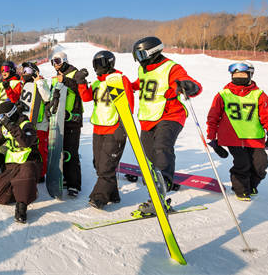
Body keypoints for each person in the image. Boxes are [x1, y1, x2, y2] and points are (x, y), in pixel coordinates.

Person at [130, 36, 202, 214]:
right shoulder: (144, 70)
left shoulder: (171, 68)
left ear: (152, 52)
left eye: (141, 54)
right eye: (136, 55)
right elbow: (139, 85)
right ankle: (155, 196)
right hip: (148, 119)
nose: (139, 59)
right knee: (148, 158)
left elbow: (190, 83)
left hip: (170, 115)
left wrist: (189, 86)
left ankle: (162, 187)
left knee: (162, 147)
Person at [206, 61, 268, 201]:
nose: (239, 77)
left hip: (254, 137)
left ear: (250, 75)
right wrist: (212, 139)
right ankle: (241, 190)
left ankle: (251, 185)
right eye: (236, 74)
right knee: (243, 163)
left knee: (261, 164)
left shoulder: (259, 94)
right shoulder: (223, 94)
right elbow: (213, 118)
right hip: (232, 137)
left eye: (243, 74)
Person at [78, 51, 134, 210]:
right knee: (99, 164)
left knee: (106, 166)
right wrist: (81, 82)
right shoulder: (97, 83)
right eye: (95, 63)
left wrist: (123, 128)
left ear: (110, 63)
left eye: (101, 63)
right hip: (98, 129)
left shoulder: (119, 81)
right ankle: (113, 195)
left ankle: (99, 198)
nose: (97, 67)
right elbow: (87, 97)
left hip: (114, 129)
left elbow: (128, 106)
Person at [49, 51, 84, 196]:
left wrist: (65, 81)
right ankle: (62, 177)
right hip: (58, 118)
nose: (55, 65)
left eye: (57, 61)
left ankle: (74, 184)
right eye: (53, 62)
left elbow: (80, 88)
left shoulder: (75, 74)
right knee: (59, 151)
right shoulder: (54, 79)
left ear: (64, 60)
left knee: (71, 151)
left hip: (72, 119)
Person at [20, 62, 50, 182]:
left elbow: (47, 97)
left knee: (41, 149)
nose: (25, 73)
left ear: (35, 72)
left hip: (40, 123)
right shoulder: (23, 85)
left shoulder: (42, 83)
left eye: (28, 70)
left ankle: (41, 173)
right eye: (24, 70)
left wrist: (39, 82)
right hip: (27, 121)